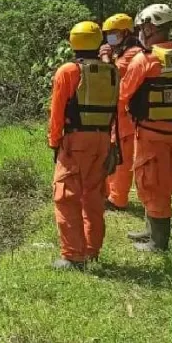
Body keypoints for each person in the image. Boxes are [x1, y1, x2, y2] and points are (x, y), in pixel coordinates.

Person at [119, 4, 172, 252]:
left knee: (151, 182)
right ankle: (150, 230)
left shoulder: (144, 60)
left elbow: (124, 95)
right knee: (162, 180)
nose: (139, 32)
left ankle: (158, 243)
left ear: (150, 27)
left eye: (141, 27)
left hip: (151, 134)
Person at [48, 21, 119, 269]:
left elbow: (57, 113)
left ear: (72, 41)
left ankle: (73, 256)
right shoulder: (111, 70)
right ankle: (91, 250)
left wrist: (54, 142)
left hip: (75, 141)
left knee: (66, 197)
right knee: (93, 197)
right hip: (101, 139)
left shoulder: (68, 71)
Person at [99, 13, 144, 211]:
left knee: (122, 157)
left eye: (114, 33)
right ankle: (110, 194)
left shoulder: (133, 53)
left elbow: (113, 74)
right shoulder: (123, 51)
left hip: (127, 115)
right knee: (114, 153)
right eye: (108, 34)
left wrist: (105, 57)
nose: (110, 37)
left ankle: (118, 199)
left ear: (126, 32)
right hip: (118, 114)